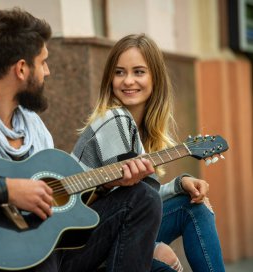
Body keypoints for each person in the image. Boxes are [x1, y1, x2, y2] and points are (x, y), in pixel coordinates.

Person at [0, 9, 163, 272]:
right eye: (43, 62)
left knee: (142, 199)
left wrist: (107, 184)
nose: (47, 72)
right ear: (22, 69)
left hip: (49, 253)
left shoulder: (32, 124)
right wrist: (8, 190)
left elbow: (57, 207)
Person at [71, 33, 225, 272]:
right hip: (80, 243)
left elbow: (139, 199)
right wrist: (156, 245)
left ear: (155, 78)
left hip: (108, 229)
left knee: (194, 204)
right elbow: (132, 204)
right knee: (188, 213)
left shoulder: (138, 128)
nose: (128, 81)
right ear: (109, 78)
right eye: (119, 72)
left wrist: (180, 183)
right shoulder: (115, 118)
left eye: (139, 72)